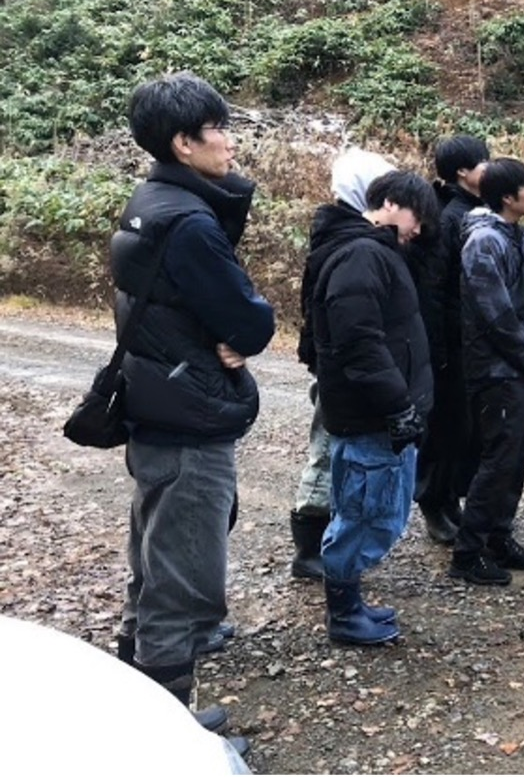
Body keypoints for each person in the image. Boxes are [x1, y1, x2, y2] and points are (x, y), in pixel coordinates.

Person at [108, 72, 275, 748]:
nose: (231, 142)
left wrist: (220, 331)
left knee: (154, 557)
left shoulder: (149, 201)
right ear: (184, 142)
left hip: (157, 400)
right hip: (188, 413)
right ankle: (168, 738)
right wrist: (242, 330)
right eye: (219, 130)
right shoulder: (189, 223)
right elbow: (251, 321)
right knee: (182, 573)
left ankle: (132, 698)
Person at [309, 170, 439, 644]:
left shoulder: (373, 251)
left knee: (373, 509)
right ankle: (343, 616)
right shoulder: (361, 254)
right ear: (388, 203)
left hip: (378, 413)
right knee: (366, 513)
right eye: (416, 216)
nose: (418, 229)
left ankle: (350, 605)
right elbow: (359, 342)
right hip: (373, 416)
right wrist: (397, 404)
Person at [288, 147, 397, 581]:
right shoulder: (347, 237)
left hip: (338, 359)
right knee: (326, 448)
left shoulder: (342, 229)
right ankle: (309, 545)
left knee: (334, 446)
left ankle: (324, 539)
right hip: (339, 362)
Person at [449, 158, 524, 585]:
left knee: (515, 457)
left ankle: (498, 537)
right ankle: (467, 553)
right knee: (498, 458)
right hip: (492, 368)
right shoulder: (483, 241)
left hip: (512, 364)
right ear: (508, 197)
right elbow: (494, 311)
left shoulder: (513, 236)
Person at [414, 135, 491, 545]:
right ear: (462, 172)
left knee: (467, 428)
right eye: (483, 163)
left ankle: (450, 500)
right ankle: (433, 502)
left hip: (473, 341)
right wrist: (439, 351)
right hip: (452, 342)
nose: (490, 169)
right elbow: (434, 290)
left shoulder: (477, 210)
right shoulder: (448, 218)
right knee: (446, 427)